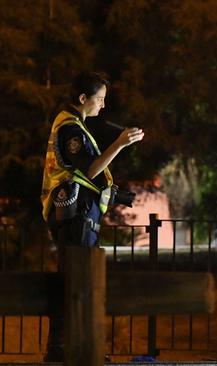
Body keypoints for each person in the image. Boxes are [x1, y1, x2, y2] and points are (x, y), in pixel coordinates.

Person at [40, 71, 144, 361]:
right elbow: (88, 170)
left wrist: (115, 194)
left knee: (74, 279)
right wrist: (121, 143)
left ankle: (64, 347)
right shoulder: (71, 130)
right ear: (83, 98)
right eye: (99, 99)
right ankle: (74, 348)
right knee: (80, 280)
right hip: (75, 217)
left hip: (78, 213)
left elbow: (85, 178)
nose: (103, 106)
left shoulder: (74, 126)